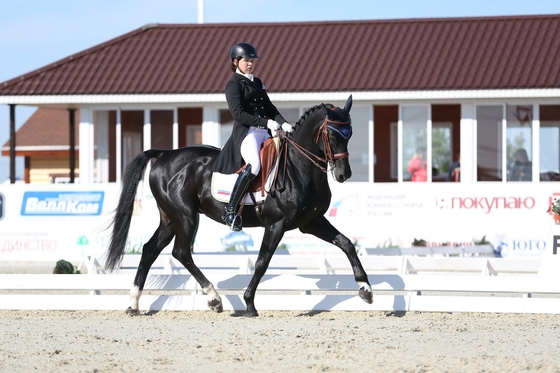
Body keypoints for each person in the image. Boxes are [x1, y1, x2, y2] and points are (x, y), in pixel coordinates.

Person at [211, 42, 293, 231]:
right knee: (254, 165)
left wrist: (284, 122)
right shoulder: (233, 84)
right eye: (246, 61)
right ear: (236, 61)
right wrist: (266, 123)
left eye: (252, 61)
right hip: (247, 133)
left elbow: (270, 108)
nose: (250, 64)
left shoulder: (256, 82)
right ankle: (230, 211)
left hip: (265, 132)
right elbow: (238, 114)